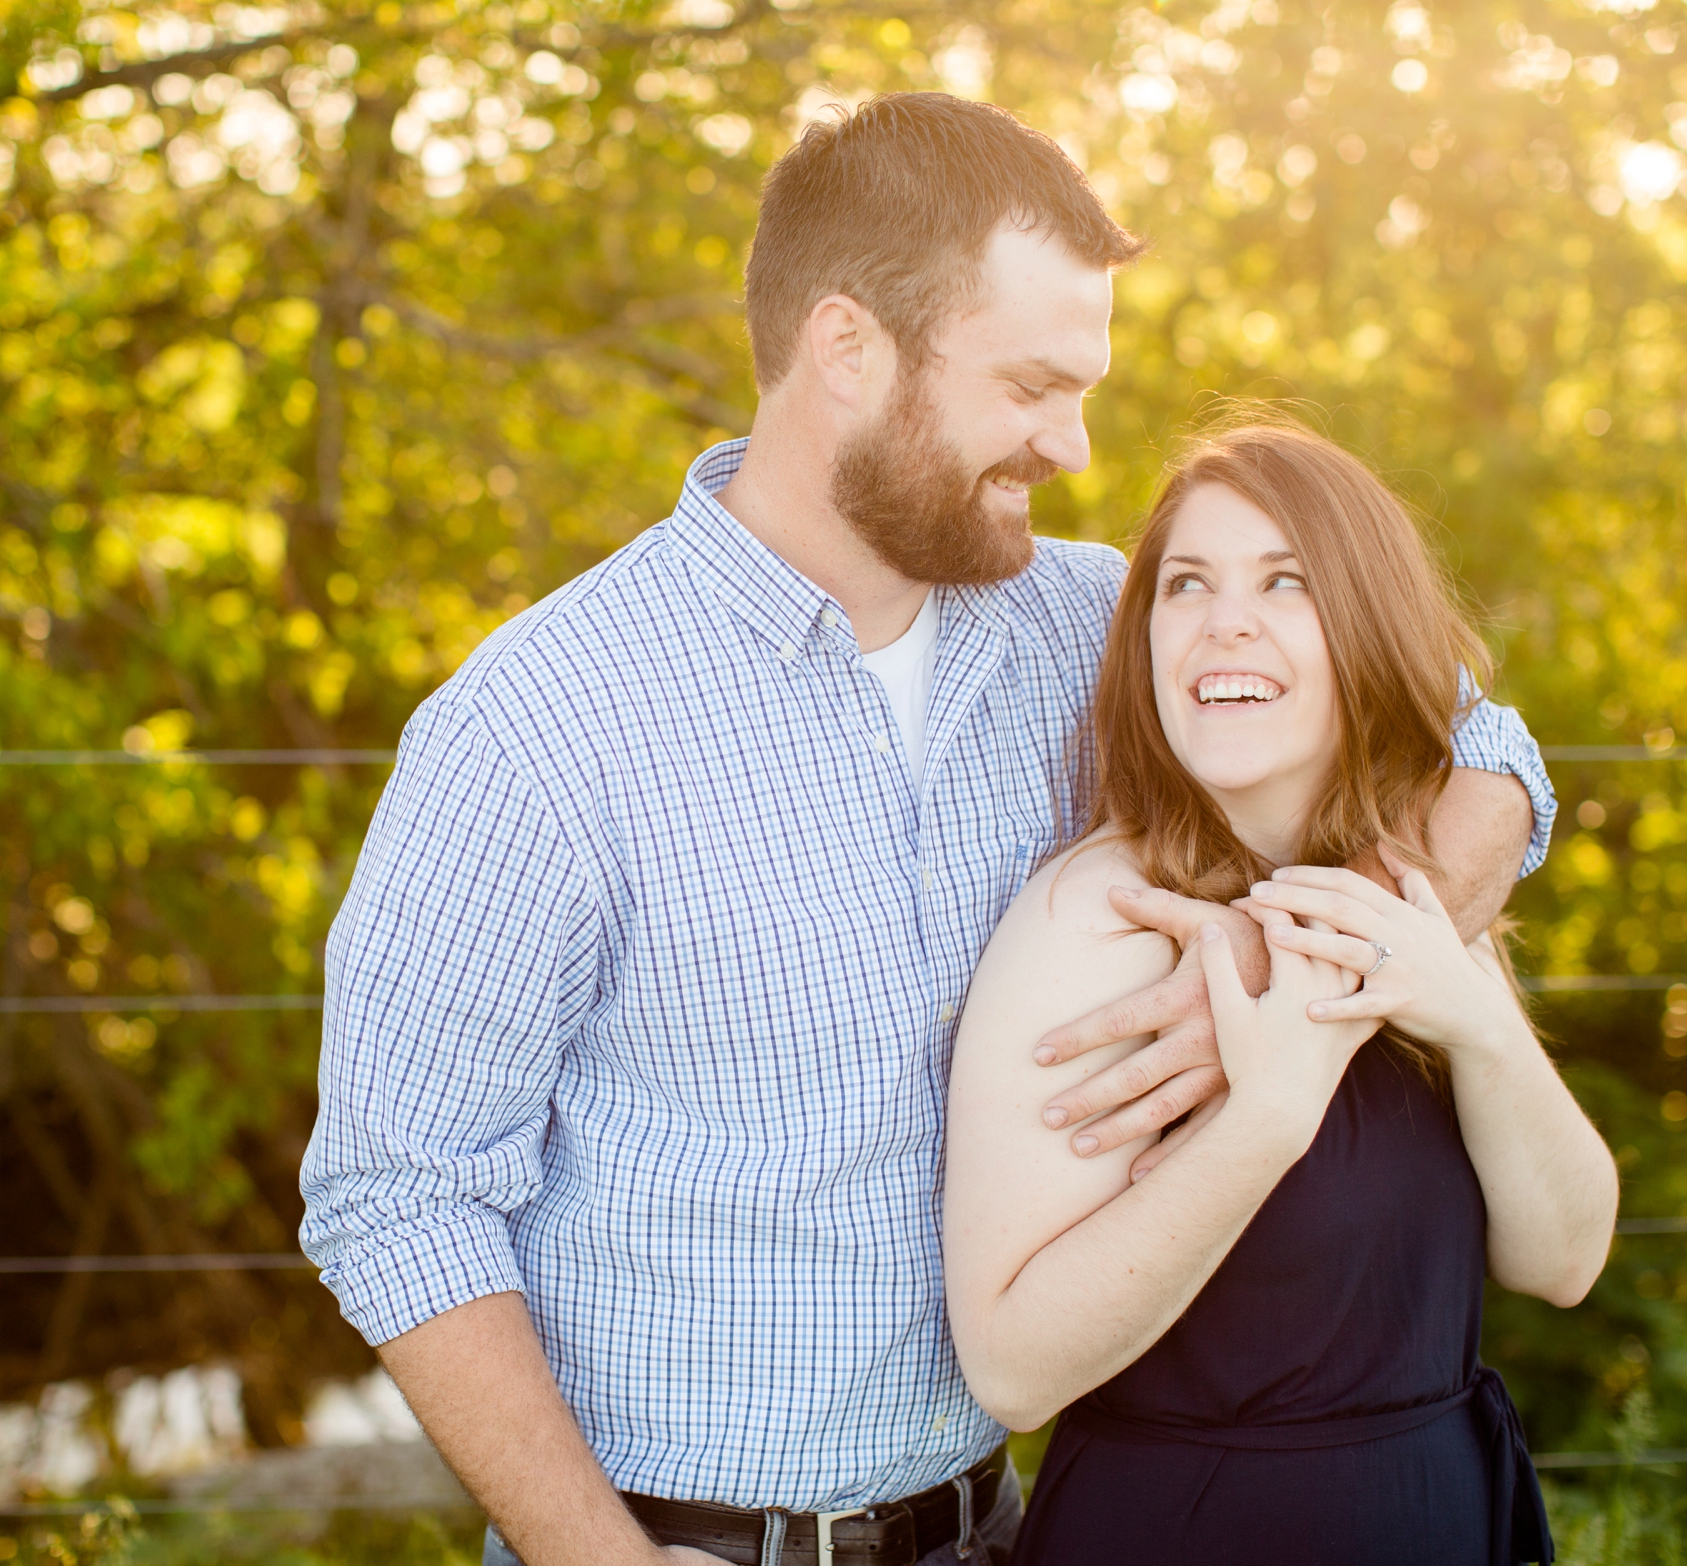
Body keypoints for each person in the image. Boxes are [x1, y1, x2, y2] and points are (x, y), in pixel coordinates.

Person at [299, 93, 1557, 1566]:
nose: (1073, 447)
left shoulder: (1088, 623)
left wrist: (1321, 975)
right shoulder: (538, 727)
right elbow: (398, 1198)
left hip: (1001, 1528)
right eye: (1030, 386)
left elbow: (1478, 738)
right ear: (848, 349)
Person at [942, 416, 1617, 1565]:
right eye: (1186, 584)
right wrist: (1266, 1116)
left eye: (1286, 581)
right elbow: (1013, 1367)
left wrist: (1471, 1022)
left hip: (1441, 1509)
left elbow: (1562, 1257)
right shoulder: (1103, 918)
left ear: (1366, 629)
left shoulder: (1409, 884)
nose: (1225, 621)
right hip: (1191, 1527)